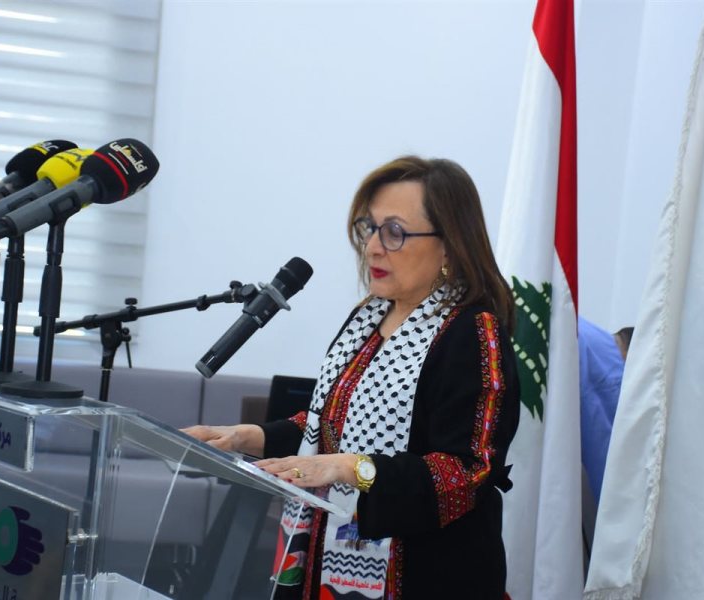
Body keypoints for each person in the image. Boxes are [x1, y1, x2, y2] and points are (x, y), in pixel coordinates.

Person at [184, 156, 520, 599]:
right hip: (323, 564)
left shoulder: (473, 333)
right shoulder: (367, 320)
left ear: (449, 246)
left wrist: (352, 468)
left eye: (395, 232)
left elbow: (468, 471)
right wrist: (246, 437)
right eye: (370, 228)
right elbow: (329, 427)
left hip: (426, 577)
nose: (373, 247)